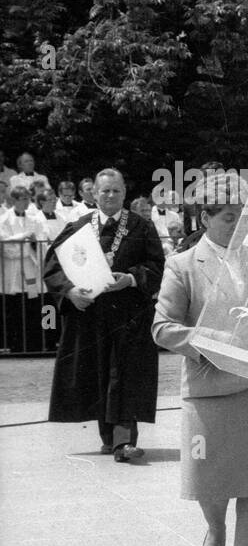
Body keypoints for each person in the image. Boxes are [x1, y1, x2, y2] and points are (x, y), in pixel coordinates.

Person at [152, 172, 248, 546]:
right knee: (210, 479)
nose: (238, 224)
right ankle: (215, 529)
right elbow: (162, 328)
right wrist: (214, 340)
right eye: (230, 217)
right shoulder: (182, 266)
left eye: (244, 216)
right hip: (210, 389)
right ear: (206, 217)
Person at [44, 168, 164, 461]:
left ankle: (124, 441)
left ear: (125, 193)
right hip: (92, 317)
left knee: (126, 374)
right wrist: (69, 292)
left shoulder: (142, 226)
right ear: (94, 193)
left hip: (129, 316)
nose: (110, 196)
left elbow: (157, 267)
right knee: (98, 373)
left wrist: (132, 278)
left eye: (116, 191)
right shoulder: (79, 226)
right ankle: (108, 437)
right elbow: (52, 264)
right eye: (104, 191)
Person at [1, 183, 47, 353]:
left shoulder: (34, 219)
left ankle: (32, 344)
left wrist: (29, 243)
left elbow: (41, 241)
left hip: (29, 266)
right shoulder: (4, 220)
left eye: (29, 198)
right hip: (12, 269)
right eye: (24, 199)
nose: (28, 202)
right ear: (14, 200)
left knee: (31, 304)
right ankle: (15, 345)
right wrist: (24, 238)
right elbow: (7, 248)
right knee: (13, 306)